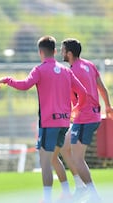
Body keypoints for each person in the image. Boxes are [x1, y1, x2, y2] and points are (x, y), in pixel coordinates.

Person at [0, 35, 87, 203]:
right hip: (64, 123)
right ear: (54, 51)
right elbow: (83, 92)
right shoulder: (66, 71)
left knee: (45, 161)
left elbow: (24, 85)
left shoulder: (39, 70)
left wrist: (8, 79)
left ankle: (47, 199)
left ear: (40, 52)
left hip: (49, 123)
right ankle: (67, 194)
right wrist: (76, 109)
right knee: (53, 158)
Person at [56, 38, 113, 203]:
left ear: (69, 53)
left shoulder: (71, 72)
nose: (61, 52)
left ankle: (94, 195)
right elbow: (102, 87)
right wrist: (108, 106)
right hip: (92, 116)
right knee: (64, 145)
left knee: (77, 158)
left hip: (84, 119)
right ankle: (80, 187)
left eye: (63, 50)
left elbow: (70, 99)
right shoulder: (89, 65)